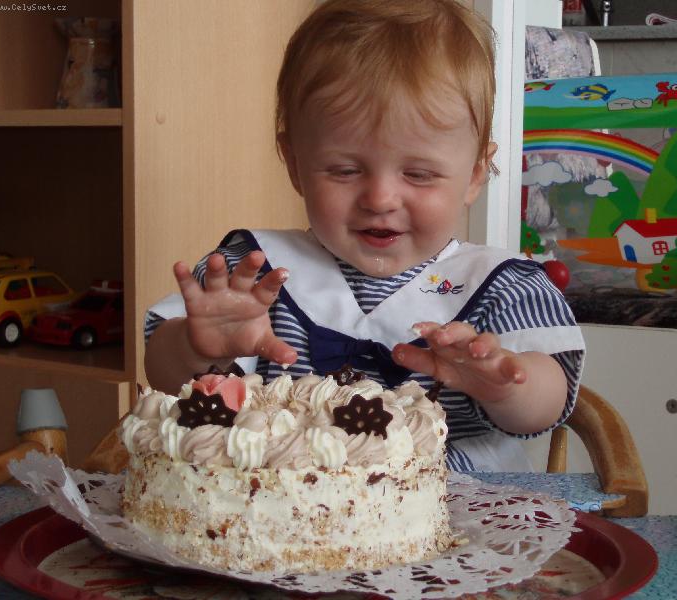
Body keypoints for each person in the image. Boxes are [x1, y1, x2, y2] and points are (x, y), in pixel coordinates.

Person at [144, 0, 584, 472]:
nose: (380, 198)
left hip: (460, 503)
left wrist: (504, 385)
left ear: (475, 175)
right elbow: (165, 377)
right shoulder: (253, 273)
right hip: (281, 499)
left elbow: (550, 401)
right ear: (294, 164)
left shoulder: (499, 285)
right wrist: (195, 347)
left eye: (418, 174)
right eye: (345, 170)